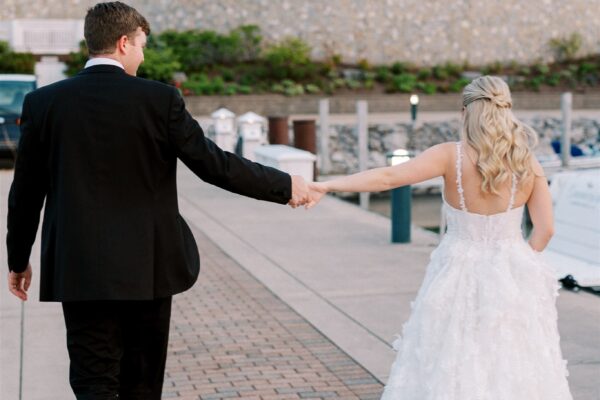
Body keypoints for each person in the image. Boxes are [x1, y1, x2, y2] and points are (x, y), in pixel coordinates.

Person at [6, 2, 309, 399]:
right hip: (148, 266)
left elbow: (26, 191)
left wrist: (18, 259)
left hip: (79, 266)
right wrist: (285, 186)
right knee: (142, 385)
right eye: (142, 45)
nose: (143, 55)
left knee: (92, 382)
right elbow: (214, 165)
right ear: (123, 43)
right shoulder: (159, 99)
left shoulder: (44, 103)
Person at [307, 76, 573, 399]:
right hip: (512, 273)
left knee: (451, 359)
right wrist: (517, 262)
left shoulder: (451, 156)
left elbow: (389, 177)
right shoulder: (526, 161)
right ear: (507, 109)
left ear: (465, 111)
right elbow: (546, 230)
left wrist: (327, 185)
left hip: (456, 272)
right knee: (512, 362)